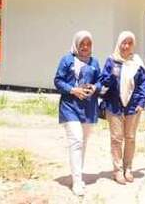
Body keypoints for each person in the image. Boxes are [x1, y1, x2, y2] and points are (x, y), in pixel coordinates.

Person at [54, 30, 102, 196]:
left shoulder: (94, 62)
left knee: (84, 142)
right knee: (76, 140)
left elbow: (100, 81)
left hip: (89, 108)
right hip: (70, 106)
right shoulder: (67, 60)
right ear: (76, 44)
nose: (85, 47)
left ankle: (78, 174)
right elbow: (58, 81)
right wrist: (73, 90)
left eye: (88, 44)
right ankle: (76, 181)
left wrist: (95, 87)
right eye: (82, 43)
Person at [99, 31, 145, 184]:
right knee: (116, 139)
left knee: (131, 138)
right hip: (114, 105)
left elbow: (143, 84)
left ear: (133, 45)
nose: (126, 46)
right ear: (119, 43)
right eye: (123, 43)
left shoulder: (137, 61)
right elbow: (103, 82)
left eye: (129, 43)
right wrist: (111, 76)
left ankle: (128, 168)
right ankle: (117, 170)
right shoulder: (111, 60)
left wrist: (141, 102)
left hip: (133, 106)